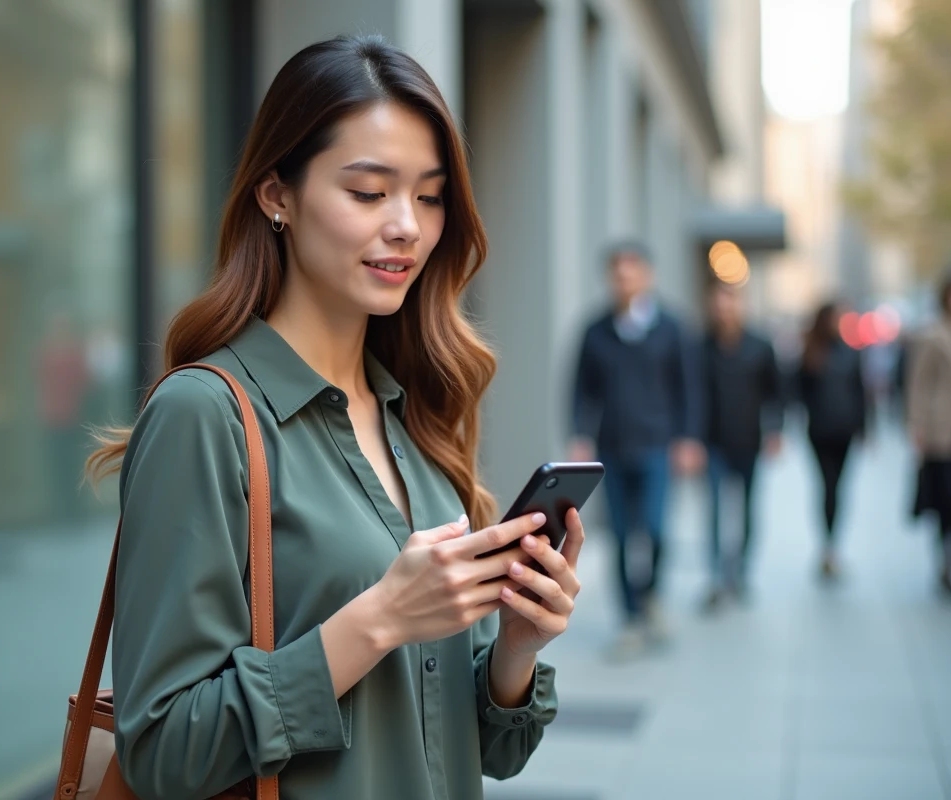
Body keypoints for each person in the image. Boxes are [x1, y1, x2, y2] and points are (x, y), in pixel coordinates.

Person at [86, 36, 583, 800]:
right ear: (276, 194)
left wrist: (516, 649)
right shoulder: (204, 416)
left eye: (428, 195)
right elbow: (162, 753)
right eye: (368, 192)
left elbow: (483, 751)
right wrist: (378, 619)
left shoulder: (416, 415)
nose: (408, 227)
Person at [569, 241, 704, 657]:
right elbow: (580, 389)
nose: (623, 280)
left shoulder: (671, 327)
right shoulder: (596, 330)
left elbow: (688, 387)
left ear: (647, 276)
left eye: (631, 272)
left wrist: (688, 438)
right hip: (612, 447)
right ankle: (629, 618)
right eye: (617, 273)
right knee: (623, 538)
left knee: (657, 530)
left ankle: (652, 597)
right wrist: (579, 435)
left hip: (657, 447)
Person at [699, 281, 784, 610]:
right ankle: (718, 579)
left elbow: (776, 391)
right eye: (718, 304)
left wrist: (775, 431)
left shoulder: (760, 346)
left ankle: (742, 572)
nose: (724, 310)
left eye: (730, 304)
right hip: (713, 444)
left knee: (748, 510)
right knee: (715, 513)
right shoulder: (702, 346)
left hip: (749, 441)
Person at [907, 267, 951, 600]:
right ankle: (945, 553)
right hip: (944, 427)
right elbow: (918, 383)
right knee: (950, 495)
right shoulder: (934, 335)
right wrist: (916, 425)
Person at [799, 300, 867, 581]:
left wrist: (863, 427)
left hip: (844, 432)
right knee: (826, 487)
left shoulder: (850, 354)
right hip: (820, 432)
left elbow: (860, 392)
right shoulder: (811, 354)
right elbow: (798, 391)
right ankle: (827, 547)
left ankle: (833, 544)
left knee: (839, 487)